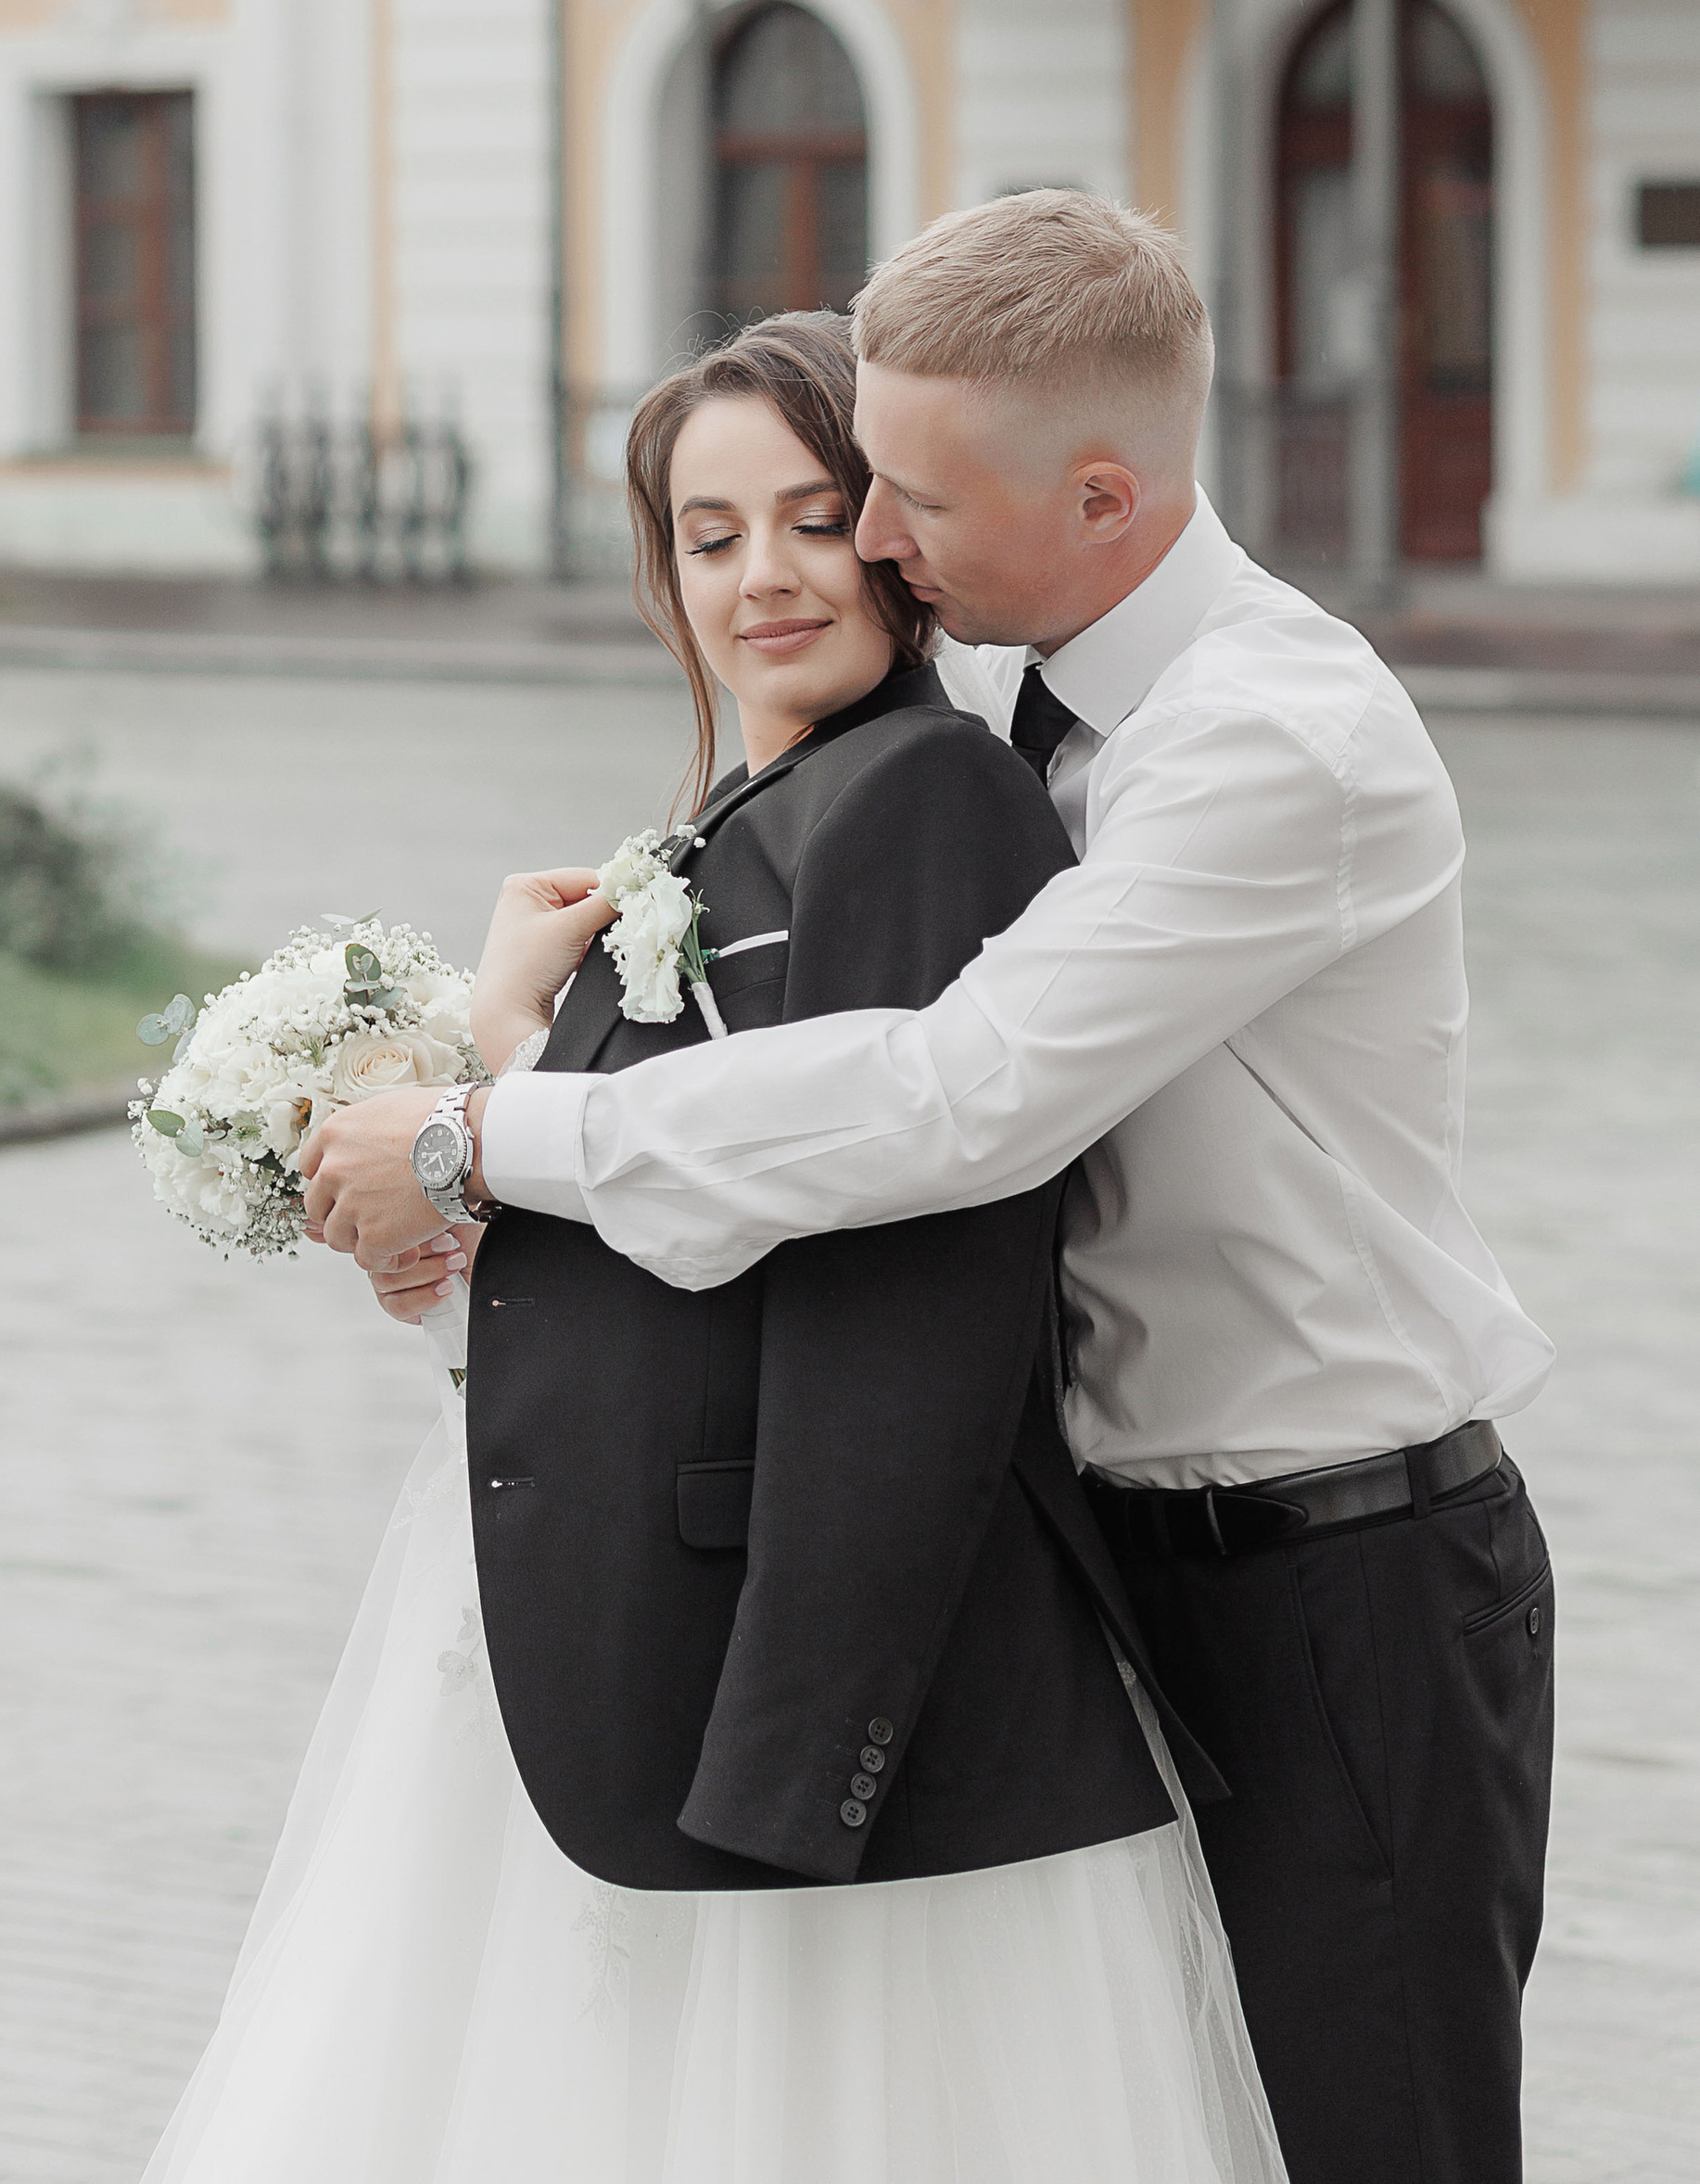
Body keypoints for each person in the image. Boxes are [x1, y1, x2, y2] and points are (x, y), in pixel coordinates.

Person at [305, 194, 1554, 2184]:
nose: (869, 542)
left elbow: (945, 1104)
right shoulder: (1009, 709)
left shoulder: (1269, 742)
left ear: (1100, 490)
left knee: (1370, 2146)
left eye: (903, 502)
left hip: (1335, 1579)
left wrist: (477, 1139)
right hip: (1108, 1561)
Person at [149, 311, 1286, 2184]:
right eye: (704, 534)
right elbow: (661, 1224)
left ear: (897, 540)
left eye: (812, 518)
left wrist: (800, 1749)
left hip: (785, 1678)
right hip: (600, 1626)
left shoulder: (921, 799)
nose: (758, 576)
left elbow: (910, 1300)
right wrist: (470, 1147)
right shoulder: (742, 818)